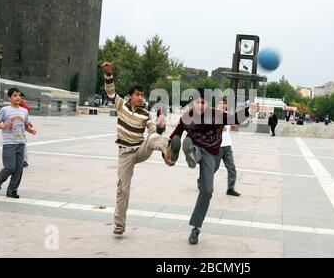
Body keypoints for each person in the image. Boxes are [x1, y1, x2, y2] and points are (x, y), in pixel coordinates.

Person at [170, 89, 259, 245]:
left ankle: (196, 228)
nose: (199, 105)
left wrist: (249, 110)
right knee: (189, 145)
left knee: (208, 191)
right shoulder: (186, 117)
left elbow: (234, 118)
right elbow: (174, 135)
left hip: (210, 153)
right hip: (195, 147)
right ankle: (189, 153)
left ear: (208, 104)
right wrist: (168, 152)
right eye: (197, 102)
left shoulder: (217, 114)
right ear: (193, 103)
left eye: (203, 102)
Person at [102, 62, 181, 236]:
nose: (140, 97)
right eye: (137, 95)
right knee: (123, 188)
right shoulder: (120, 105)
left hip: (139, 150)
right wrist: (108, 73)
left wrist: (160, 127)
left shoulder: (145, 114)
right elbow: (110, 92)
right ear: (130, 96)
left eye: (142, 95)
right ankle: (119, 224)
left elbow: (152, 131)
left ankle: (169, 152)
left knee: (153, 138)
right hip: (124, 153)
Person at [0, 88, 37, 199]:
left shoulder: (24, 111)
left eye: (19, 95)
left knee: (18, 169)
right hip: (9, 143)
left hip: (21, 143)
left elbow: (26, 125)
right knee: (10, 167)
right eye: (15, 95)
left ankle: (12, 190)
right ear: (9, 98)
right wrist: (3, 126)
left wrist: (31, 130)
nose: (18, 97)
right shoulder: (5, 110)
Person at [213, 98, 241, 197]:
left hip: (227, 145)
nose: (223, 105)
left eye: (225, 103)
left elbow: (232, 127)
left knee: (232, 168)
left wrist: (233, 126)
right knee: (213, 168)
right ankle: (201, 182)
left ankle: (230, 188)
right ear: (217, 104)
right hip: (217, 146)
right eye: (221, 103)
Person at [19, 93, 30, 168]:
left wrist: (29, 125)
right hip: (14, 129)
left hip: (22, 128)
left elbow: (26, 119)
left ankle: (24, 160)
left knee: (23, 143)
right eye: (21, 98)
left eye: (23, 98)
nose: (22, 100)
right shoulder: (13, 107)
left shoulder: (26, 108)